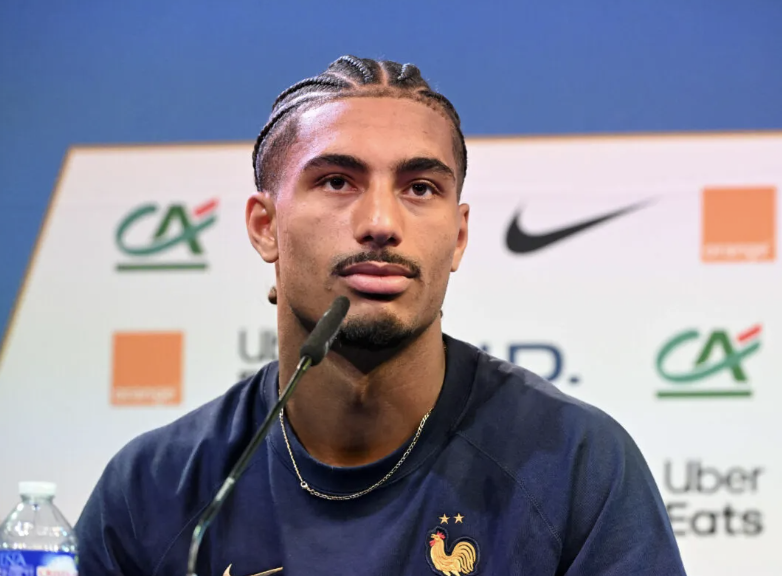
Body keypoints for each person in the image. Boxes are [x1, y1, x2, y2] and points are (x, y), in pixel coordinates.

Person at [75, 55, 687, 576]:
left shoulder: (576, 468)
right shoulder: (152, 489)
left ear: (459, 237)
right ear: (266, 228)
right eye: (338, 181)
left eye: (420, 188)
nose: (381, 224)